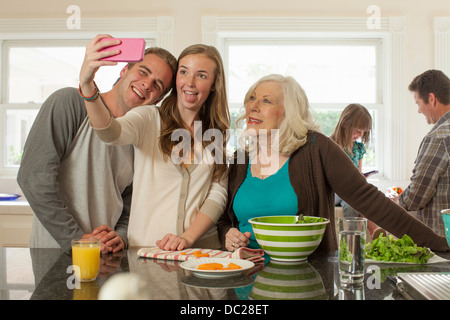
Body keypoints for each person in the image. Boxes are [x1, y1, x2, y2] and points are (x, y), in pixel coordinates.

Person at [217, 74, 449, 254]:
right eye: (251, 97)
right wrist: (228, 233)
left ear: (288, 111)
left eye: (266, 100)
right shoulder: (241, 157)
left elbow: (368, 199)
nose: (253, 106)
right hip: (244, 276)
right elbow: (225, 218)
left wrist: (439, 244)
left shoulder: (316, 148)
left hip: (306, 277)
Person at [17, 34, 177, 254]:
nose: (146, 84)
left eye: (157, 85)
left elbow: (131, 201)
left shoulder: (139, 137)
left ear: (157, 99)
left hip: (106, 255)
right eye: (143, 72)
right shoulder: (70, 103)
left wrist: (120, 236)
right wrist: (76, 239)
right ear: (124, 71)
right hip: (56, 252)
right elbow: (34, 178)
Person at [80, 44, 230, 251]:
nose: (190, 82)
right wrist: (87, 85)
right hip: (147, 251)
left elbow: (217, 195)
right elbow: (110, 133)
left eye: (202, 76)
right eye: (184, 72)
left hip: (201, 254)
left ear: (214, 84)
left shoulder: (216, 133)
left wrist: (187, 238)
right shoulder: (149, 117)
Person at [390, 69, 450, 236]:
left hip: (442, 241)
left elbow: (417, 196)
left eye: (418, 103)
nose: (418, 110)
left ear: (431, 99)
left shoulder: (439, 137)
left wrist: (398, 202)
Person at [330, 104, 383, 238]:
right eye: (358, 130)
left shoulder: (358, 149)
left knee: (352, 203)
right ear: (345, 124)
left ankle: (352, 239)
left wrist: (361, 177)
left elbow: (359, 172)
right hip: (333, 192)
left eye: (363, 132)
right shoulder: (330, 145)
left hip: (349, 193)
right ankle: (373, 228)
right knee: (351, 194)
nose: (360, 135)